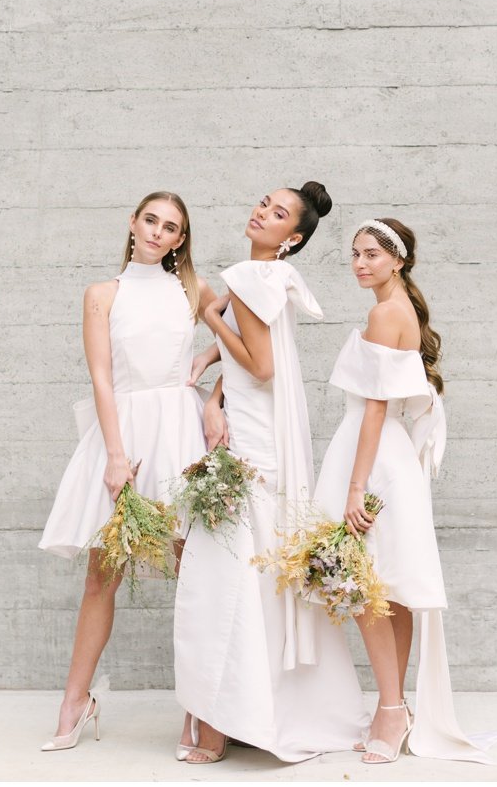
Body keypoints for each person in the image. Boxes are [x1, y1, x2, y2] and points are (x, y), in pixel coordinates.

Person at [173, 183, 369, 764]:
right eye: (264, 203)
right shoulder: (262, 279)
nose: (262, 212)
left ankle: (219, 724)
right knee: (250, 578)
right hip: (256, 435)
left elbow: (259, 366)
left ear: (294, 239)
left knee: (226, 577)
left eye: (278, 214)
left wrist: (211, 318)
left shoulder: (251, 279)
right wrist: (214, 392)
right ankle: (244, 710)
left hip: (254, 450)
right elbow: (247, 359)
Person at [38, 191, 216, 751]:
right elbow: (101, 378)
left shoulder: (195, 289)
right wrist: (116, 456)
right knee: (101, 575)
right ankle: (76, 701)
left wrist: (209, 374)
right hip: (125, 430)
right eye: (151, 221)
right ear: (134, 224)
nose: (159, 232)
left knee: (197, 574)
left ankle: (202, 707)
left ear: (180, 239)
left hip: (181, 431)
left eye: (171, 227)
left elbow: (250, 345)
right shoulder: (101, 294)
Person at [313, 218, 491, 764]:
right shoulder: (400, 310)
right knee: (388, 586)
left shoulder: (386, 313)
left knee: (371, 584)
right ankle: (394, 706)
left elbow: (374, 409)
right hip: (385, 456)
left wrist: (355, 487)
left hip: (373, 457)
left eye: (372, 254)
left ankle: (391, 710)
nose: (360, 263)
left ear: (399, 260)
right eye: (354, 254)